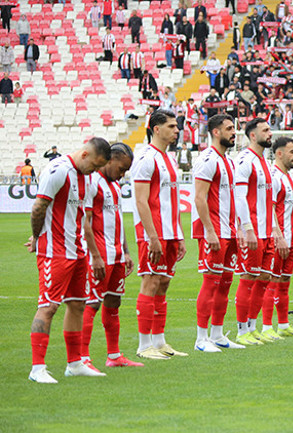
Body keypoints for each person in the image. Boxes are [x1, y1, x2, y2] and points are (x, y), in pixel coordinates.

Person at [26, 137, 112, 384]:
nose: (95, 171)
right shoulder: (57, 170)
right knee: (49, 306)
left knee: (77, 304)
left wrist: (91, 252)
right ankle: (37, 368)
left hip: (77, 251)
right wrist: (36, 237)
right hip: (54, 252)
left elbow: (81, 216)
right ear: (85, 154)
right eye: (95, 165)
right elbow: (38, 207)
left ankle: (74, 363)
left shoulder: (85, 177)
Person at [130, 110, 188, 360]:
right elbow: (141, 200)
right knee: (151, 282)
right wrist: (151, 236)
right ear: (156, 129)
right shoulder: (145, 157)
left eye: (177, 126)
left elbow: (171, 200)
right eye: (172, 126)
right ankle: (144, 346)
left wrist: (180, 235)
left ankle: (159, 341)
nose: (177, 130)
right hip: (153, 232)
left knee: (163, 284)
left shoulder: (168, 158)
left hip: (170, 231)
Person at [80, 143, 143, 370]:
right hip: (99, 254)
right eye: (122, 168)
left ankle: (114, 356)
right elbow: (85, 222)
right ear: (110, 160)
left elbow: (117, 220)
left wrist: (125, 251)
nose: (123, 174)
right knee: (92, 302)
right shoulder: (92, 183)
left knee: (113, 301)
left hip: (116, 254)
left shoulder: (114, 186)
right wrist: (95, 256)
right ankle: (82, 358)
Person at [191, 114, 243, 352]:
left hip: (229, 231)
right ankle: (201, 339)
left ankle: (218, 334)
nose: (234, 132)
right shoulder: (208, 159)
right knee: (211, 282)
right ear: (215, 132)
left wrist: (239, 228)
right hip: (214, 231)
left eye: (234, 128)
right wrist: (209, 232)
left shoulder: (228, 162)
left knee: (225, 282)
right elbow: (199, 198)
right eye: (229, 128)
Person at [232, 119, 280, 343]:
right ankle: (241, 331)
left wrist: (274, 229)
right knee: (248, 276)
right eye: (266, 130)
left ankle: (252, 327)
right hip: (253, 231)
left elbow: (268, 201)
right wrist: (247, 228)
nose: (270, 134)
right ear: (252, 135)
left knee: (264, 278)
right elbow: (239, 197)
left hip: (266, 231)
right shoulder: (244, 160)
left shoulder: (264, 163)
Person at [261, 137, 293, 338]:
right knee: (271, 281)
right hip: (277, 238)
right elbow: (269, 207)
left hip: (289, 238)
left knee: (284, 281)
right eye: (292, 152)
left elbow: (290, 209)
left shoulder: (290, 176)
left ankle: (283, 324)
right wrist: (277, 234)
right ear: (279, 154)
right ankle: (265, 327)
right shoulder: (273, 176)